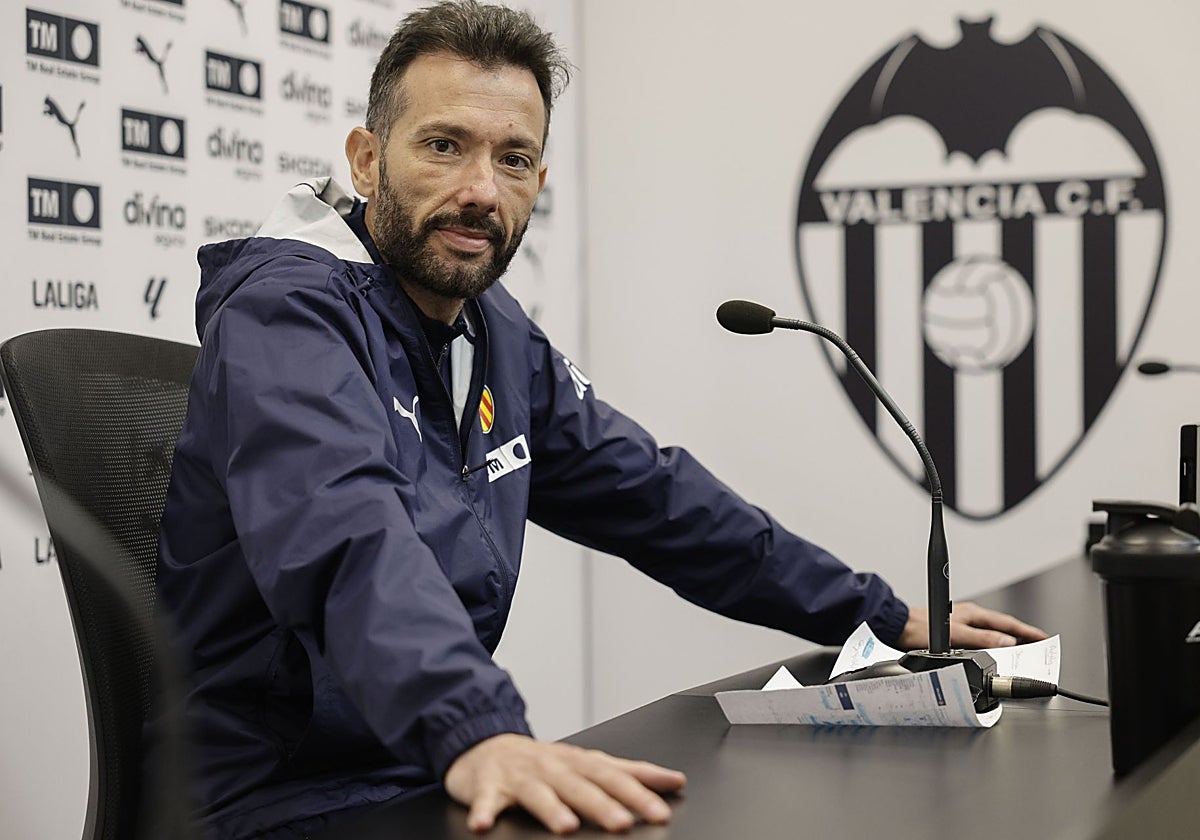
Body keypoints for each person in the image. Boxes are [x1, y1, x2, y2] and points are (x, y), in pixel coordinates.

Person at [148, 2, 1046, 838]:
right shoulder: (287, 314)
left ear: (539, 178)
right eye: (444, 146)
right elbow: (344, 532)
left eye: (511, 160)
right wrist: (476, 730)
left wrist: (875, 612)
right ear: (368, 159)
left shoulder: (490, 329)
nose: (479, 191)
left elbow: (653, 496)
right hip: (274, 799)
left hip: (418, 769)